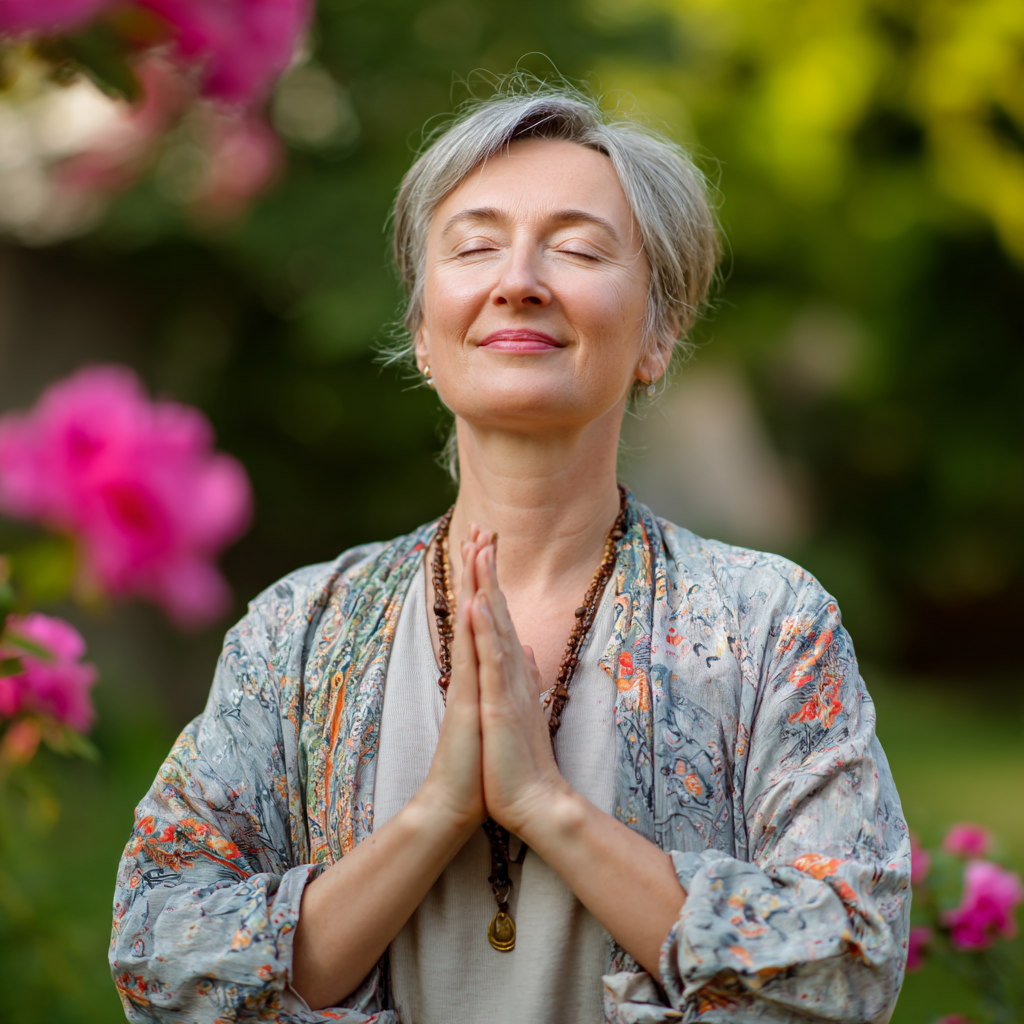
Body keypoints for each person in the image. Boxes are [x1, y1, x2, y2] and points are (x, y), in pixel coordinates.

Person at [109, 84, 911, 1024]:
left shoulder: (766, 625)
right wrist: (432, 819)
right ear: (421, 330)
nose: (519, 279)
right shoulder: (298, 632)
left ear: (658, 334)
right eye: (476, 245)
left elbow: (844, 968)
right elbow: (160, 958)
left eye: (576, 248)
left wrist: (548, 809)